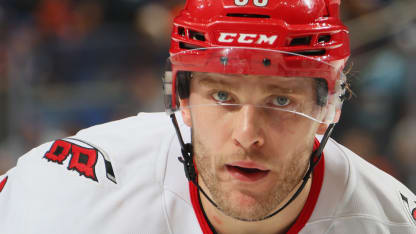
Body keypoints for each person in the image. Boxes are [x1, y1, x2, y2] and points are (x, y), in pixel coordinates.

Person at [1, 0, 415, 233]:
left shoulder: (393, 222)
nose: (248, 135)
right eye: (222, 95)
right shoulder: (63, 191)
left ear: (329, 108)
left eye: (281, 101)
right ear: (180, 98)